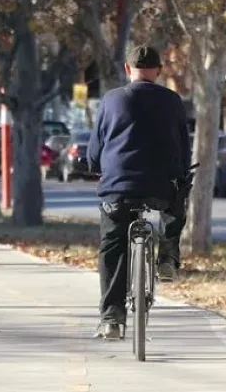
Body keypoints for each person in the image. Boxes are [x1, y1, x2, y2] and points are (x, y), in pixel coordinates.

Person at [87, 45, 191, 340]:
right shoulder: (172, 101)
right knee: (177, 195)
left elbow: (95, 149)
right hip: (162, 186)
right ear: (158, 71)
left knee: (111, 245)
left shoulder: (111, 100)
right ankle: (168, 254)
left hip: (118, 188)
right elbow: (184, 149)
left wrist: (95, 165)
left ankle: (112, 318)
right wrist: (181, 174)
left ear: (127, 68)